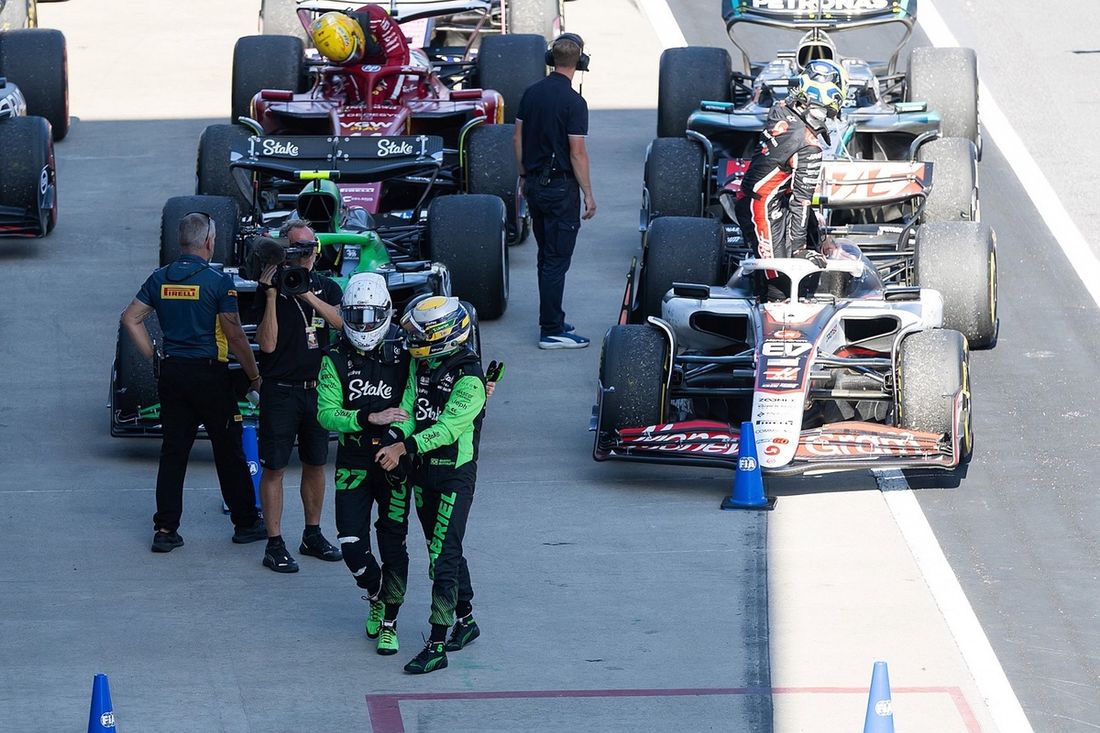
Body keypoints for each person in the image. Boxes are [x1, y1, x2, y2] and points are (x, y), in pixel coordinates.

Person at [120, 212, 267, 553]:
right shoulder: (217, 282)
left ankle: (165, 529)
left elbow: (131, 318)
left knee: (173, 452)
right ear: (209, 242)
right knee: (228, 450)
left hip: (173, 373)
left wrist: (154, 356)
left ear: (181, 242)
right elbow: (233, 335)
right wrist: (254, 376)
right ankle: (246, 523)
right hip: (210, 376)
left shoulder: (160, 278)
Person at [375, 296, 486, 674]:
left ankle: (436, 645)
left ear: (442, 335)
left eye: (419, 334)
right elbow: (409, 407)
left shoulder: (470, 377)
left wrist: (403, 445)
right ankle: (466, 621)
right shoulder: (420, 363)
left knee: (443, 557)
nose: (411, 340)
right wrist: (394, 434)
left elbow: (448, 428)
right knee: (441, 549)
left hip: (454, 473)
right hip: (422, 471)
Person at [316, 273, 412, 656]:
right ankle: (374, 592)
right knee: (351, 545)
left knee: (394, 546)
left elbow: (412, 407)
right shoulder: (334, 359)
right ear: (345, 314)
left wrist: (398, 440)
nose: (366, 324)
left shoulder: (405, 355)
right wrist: (366, 418)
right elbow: (326, 413)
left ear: (387, 313)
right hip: (354, 460)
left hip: (393, 460)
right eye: (357, 315)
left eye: (374, 315)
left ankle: (390, 621)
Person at [250, 220, 345, 573]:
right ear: (286, 251)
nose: (305, 256)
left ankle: (313, 533)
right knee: (274, 467)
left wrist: (305, 291)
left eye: (310, 249)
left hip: (317, 390)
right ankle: (274, 543)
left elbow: (339, 323)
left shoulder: (327, 287)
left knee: (316, 463)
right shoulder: (268, 289)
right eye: (297, 249)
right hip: (280, 390)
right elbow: (268, 344)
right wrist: (274, 293)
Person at [725, 62, 845, 298]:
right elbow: (801, 201)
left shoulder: (781, 109)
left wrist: (812, 239)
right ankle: (774, 311)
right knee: (778, 277)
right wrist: (799, 249)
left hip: (767, 197)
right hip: (761, 207)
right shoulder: (810, 147)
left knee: (809, 240)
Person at [514, 32, 596, 350]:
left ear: (551, 60)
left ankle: (554, 319)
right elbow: (577, 153)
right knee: (556, 260)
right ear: (581, 63)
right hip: (561, 189)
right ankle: (551, 330)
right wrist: (588, 193)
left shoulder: (531, 93)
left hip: (534, 184)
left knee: (545, 256)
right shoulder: (575, 103)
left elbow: (517, 139)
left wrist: (523, 175)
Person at [309, 7, 411, 102]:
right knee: (358, 98)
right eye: (348, 59)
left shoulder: (376, 20)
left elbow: (399, 56)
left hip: (390, 60)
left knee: (388, 96)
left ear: (357, 36)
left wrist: (386, 97)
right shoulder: (337, 53)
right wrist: (357, 101)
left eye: (354, 55)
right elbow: (348, 74)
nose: (353, 59)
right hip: (356, 69)